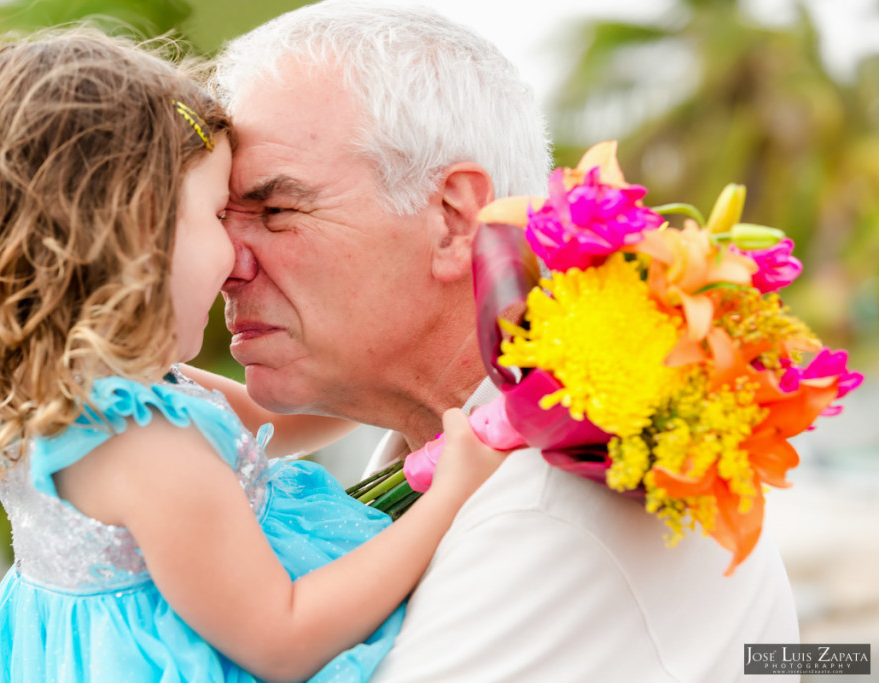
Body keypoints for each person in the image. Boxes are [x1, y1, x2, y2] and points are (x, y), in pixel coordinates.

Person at [0, 28, 506, 683]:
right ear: (142, 232)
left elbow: (284, 416)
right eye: (220, 213)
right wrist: (451, 497)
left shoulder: (100, 393)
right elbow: (283, 638)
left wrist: (404, 366)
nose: (233, 257)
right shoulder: (140, 439)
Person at [213, 2, 801, 680]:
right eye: (221, 217)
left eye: (275, 211)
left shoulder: (546, 508)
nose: (227, 260)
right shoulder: (474, 458)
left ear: (453, 219)